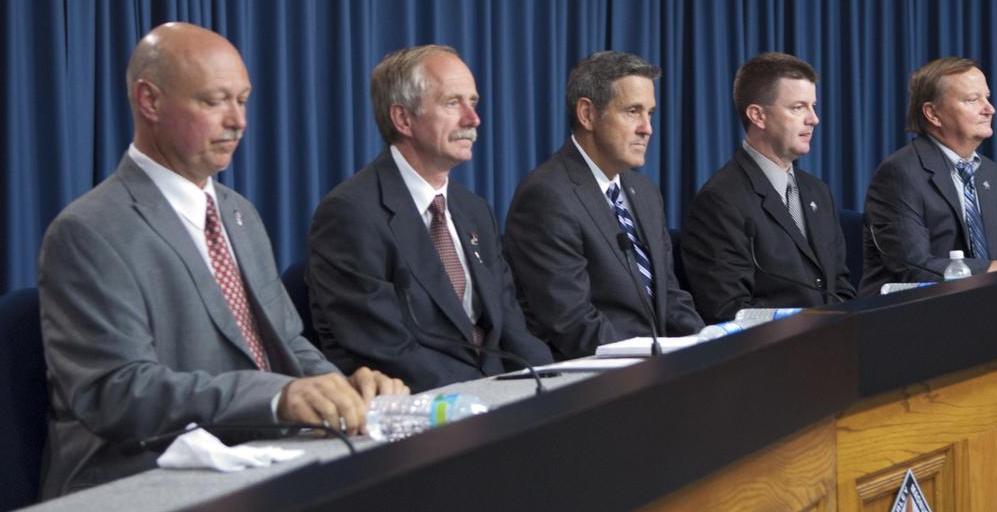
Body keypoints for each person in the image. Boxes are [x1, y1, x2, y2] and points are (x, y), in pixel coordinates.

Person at [38, 23, 406, 498]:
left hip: (258, 453)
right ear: (149, 102)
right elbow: (118, 392)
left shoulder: (238, 213)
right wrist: (276, 398)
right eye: (214, 102)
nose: (239, 121)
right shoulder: (89, 231)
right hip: (144, 476)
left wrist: (343, 394)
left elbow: (287, 339)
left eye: (243, 100)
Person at [305, 45, 551, 391]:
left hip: (496, 399)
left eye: (474, 102)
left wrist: (556, 383)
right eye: (453, 103)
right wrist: (487, 399)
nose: (473, 119)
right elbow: (386, 351)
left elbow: (510, 326)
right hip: (425, 410)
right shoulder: (351, 214)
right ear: (403, 119)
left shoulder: (475, 210)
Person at [504, 51, 703, 359]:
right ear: (587, 114)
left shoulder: (644, 192)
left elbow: (670, 296)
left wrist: (703, 347)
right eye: (633, 111)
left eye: (650, 113)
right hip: (597, 380)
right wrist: (654, 365)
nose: (647, 128)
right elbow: (572, 323)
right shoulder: (546, 196)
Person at [680, 53, 853, 323]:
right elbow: (729, 310)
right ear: (758, 115)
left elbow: (840, 286)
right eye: (798, 107)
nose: (814, 119)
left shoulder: (818, 192)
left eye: (813, 106)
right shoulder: (720, 201)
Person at [861, 56, 997, 295]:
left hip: (984, 307)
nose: (989, 109)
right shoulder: (899, 174)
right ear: (933, 113)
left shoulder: (990, 172)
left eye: (987, 98)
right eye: (973, 100)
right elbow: (915, 266)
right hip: (911, 314)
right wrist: (996, 268)